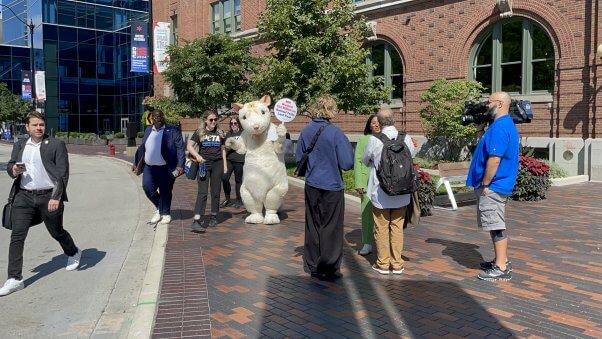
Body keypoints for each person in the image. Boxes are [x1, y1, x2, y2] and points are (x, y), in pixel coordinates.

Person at [1, 112, 81, 296]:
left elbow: (62, 173)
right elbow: (11, 165)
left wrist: (56, 196)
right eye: (35, 125)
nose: (39, 128)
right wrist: (13, 169)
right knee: (17, 235)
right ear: (27, 127)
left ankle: (73, 252)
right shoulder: (21, 144)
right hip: (24, 196)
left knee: (56, 231)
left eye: (41, 125)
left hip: (48, 196)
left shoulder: (55, 145)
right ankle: (14, 279)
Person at [296, 95, 354, 280]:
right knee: (332, 227)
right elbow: (347, 163)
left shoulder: (305, 131)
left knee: (313, 224)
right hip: (332, 185)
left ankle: (312, 264)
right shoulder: (336, 132)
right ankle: (329, 267)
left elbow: (299, 159)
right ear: (332, 110)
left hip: (312, 183)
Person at [466, 92, 519, 281]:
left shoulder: (500, 127)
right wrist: (480, 130)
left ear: (500, 103)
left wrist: (486, 184)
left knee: (496, 226)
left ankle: (502, 267)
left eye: (489, 102)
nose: (486, 105)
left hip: (494, 185)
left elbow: (494, 160)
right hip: (497, 184)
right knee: (493, 224)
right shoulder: (500, 125)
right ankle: (500, 259)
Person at [362, 107, 415, 275]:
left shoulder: (374, 139)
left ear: (379, 122)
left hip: (381, 191)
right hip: (402, 191)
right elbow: (412, 155)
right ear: (394, 119)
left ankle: (383, 264)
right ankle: (398, 264)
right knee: (397, 228)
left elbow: (365, 160)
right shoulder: (405, 137)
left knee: (381, 227)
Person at [132, 109, 185, 225]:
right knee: (147, 188)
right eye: (156, 117)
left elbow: (180, 147)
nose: (158, 118)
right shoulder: (148, 130)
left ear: (163, 117)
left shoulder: (172, 130)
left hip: (165, 167)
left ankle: (165, 213)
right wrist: (136, 162)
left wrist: (180, 165)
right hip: (149, 167)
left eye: (160, 116)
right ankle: (159, 207)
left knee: (165, 191)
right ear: (152, 118)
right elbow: (142, 148)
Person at [188, 110, 227, 233]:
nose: (214, 122)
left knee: (216, 191)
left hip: (218, 164)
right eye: (211, 120)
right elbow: (189, 146)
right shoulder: (200, 132)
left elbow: (223, 149)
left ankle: (214, 216)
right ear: (205, 120)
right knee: (203, 192)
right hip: (204, 164)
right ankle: (196, 220)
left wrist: (225, 164)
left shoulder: (220, 132)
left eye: (215, 119)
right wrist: (197, 156)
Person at [354, 114, 380, 256]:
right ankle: (367, 242)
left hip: (383, 183)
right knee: (367, 214)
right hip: (366, 182)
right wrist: (358, 182)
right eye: (373, 122)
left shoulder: (388, 138)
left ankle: (385, 243)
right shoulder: (363, 140)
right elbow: (358, 161)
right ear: (369, 125)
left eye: (378, 122)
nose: (376, 125)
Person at [220, 116, 245, 209]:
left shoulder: (243, 133)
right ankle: (228, 199)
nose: (233, 125)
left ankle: (239, 200)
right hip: (229, 160)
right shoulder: (228, 134)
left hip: (240, 160)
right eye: (231, 123)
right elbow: (224, 148)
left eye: (235, 123)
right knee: (224, 178)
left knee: (238, 181)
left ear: (238, 124)